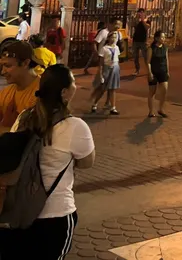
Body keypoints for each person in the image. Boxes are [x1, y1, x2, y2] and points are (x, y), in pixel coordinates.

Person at [4, 65, 95, 259]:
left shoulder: (24, 118)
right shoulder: (75, 126)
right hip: (56, 216)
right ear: (64, 92)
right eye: (74, 83)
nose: (76, 86)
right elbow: (87, 162)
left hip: (20, 214)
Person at [0, 42, 40, 128]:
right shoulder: (6, 93)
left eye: (7, 66)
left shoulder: (41, 94)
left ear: (25, 63)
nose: (3, 72)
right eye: (2, 66)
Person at [90, 32, 121, 115]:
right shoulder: (104, 49)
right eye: (112, 37)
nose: (114, 39)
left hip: (115, 68)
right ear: (108, 38)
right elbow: (101, 63)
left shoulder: (117, 48)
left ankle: (113, 107)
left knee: (113, 88)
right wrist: (100, 74)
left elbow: (117, 58)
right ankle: (95, 103)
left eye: (115, 37)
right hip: (106, 68)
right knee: (102, 88)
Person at [147, 30, 169, 118]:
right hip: (153, 71)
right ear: (156, 38)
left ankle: (161, 109)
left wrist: (167, 71)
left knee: (164, 90)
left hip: (163, 71)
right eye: (162, 37)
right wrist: (149, 73)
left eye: (164, 37)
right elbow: (148, 62)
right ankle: (151, 111)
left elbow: (166, 59)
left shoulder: (165, 47)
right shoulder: (151, 48)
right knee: (152, 92)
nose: (163, 39)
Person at [131, 8, 151, 76]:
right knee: (135, 57)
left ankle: (149, 70)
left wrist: (142, 20)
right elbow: (133, 25)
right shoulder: (137, 20)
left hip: (143, 41)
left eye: (142, 12)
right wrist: (137, 19)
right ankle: (137, 70)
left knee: (146, 57)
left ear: (144, 13)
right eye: (139, 12)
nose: (140, 14)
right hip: (135, 41)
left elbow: (147, 27)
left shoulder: (147, 20)